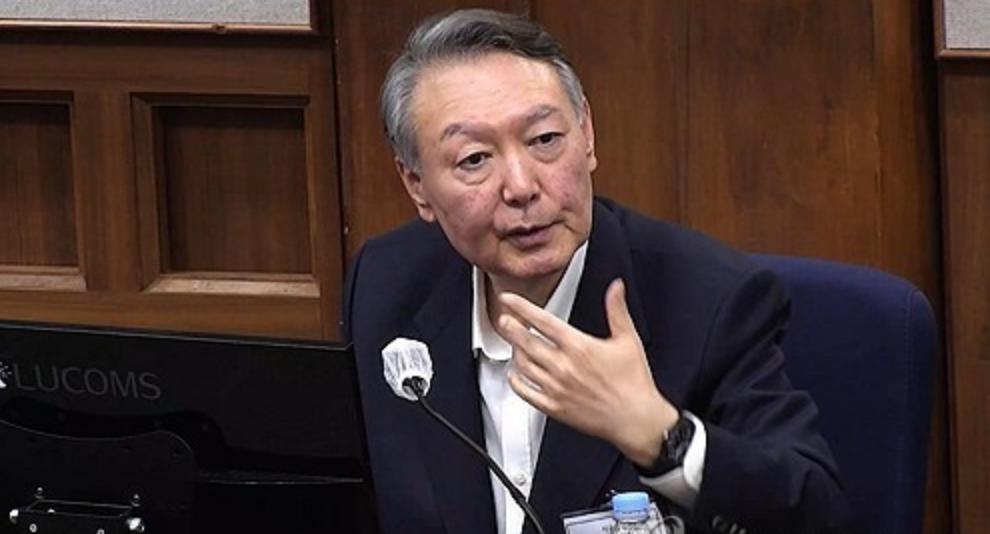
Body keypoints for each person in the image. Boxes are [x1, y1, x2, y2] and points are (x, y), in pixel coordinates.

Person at [344, 8, 851, 534]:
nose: (521, 187)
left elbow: (818, 515)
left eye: (545, 139)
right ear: (416, 185)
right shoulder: (385, 286)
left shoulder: (709, 301)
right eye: (474, 159)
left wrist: (660, 436)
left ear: (586, 134)